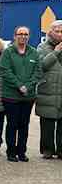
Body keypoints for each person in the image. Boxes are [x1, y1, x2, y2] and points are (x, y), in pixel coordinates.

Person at [0, 26, 40, 162]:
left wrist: (27, 86)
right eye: (20, 34)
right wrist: (19, 85)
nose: (23, 36)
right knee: (12, 124)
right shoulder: (8, 52)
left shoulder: (34, 53)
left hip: (28, 96)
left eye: (26, 34)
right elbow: (5, 71)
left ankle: (21, 151)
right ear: (15, 36)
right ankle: (11, 152)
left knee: (24, 124)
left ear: (29, 36)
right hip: (11, 96)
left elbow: (37, 72)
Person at [35, 20, 62, 159]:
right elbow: (42, 66)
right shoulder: (42, 47)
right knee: (47, 124)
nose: (59, 34)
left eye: (61, 31)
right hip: (48, 90)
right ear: (50, 32)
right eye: (57, 31)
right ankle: (47, 149)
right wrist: (56, 52)